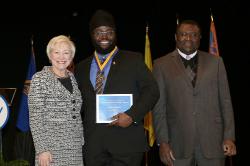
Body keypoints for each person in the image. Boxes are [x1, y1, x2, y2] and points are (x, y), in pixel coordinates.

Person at [74, 10, 159, 166]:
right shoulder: (81, 67)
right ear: (92, 35)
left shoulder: (133, 59)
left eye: (109, 32)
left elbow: (152, 91)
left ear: (115, 33)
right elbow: (74, 103)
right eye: (99, 32)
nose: (104, 36)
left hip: (126, 143)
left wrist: (132, 115)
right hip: (93, 146)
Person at [152, 19, 236, 166]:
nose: (188, 38)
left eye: (193, 35)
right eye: (183, 34)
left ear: (200, 37)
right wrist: (163, 142)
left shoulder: (216, 62)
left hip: (213, 143)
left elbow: (226, 102)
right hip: (177, 145)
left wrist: (229, 136)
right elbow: (159, 107)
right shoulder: (161, 64)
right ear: (175, 37)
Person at [28, 35, 84, 166]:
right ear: (50, 55)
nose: (61, 57)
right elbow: (36, 117)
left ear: (71, 57)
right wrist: (42, 150)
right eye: (57, 52)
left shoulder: (73, 78)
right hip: (50, 150)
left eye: (66, 53)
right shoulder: (40, 79)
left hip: (75, 147)